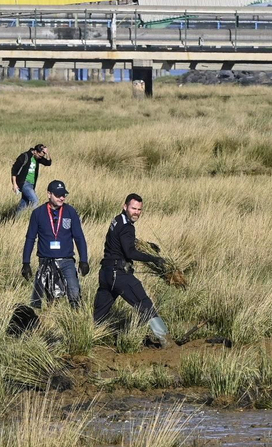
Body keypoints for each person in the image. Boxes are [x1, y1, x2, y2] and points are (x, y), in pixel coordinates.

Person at [93, 193, 170, 345]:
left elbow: (121, 241)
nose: (136, 212)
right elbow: (130, 252)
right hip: (119, 275)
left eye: (139, 209)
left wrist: (146, 245)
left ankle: (90, 339)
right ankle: (166, 340)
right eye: (133, 208)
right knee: (144, 303)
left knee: (99, 314)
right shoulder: (127, 227)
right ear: (125, 206)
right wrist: (154, 259)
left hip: (105, 274)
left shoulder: (117, 220)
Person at [21, 179, 88, 309]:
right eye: (58, 195)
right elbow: (30, 238)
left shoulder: (70, 212)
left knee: (74, 293)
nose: (61, 198)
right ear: (49, 194)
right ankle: (51, 320)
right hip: (46, 261)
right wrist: (26, 263)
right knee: (50, 298)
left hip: (67, 261)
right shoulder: (38, 213)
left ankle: (75, 320)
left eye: (63, 195)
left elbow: (79, 237)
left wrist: (83, 260)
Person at [10, 144, 52, 215]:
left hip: (32, 184)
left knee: (24, 203)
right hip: (24, 183)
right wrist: (14, 184)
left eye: (41, 156)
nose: (40, 157)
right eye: (39, 155)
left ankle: (16, 220)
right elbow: (14, 170)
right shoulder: (25, 156)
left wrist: (47, 153)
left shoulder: (38, 158)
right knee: (35, 200)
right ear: (35, 151)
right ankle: (33, 218)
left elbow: (48, 163)